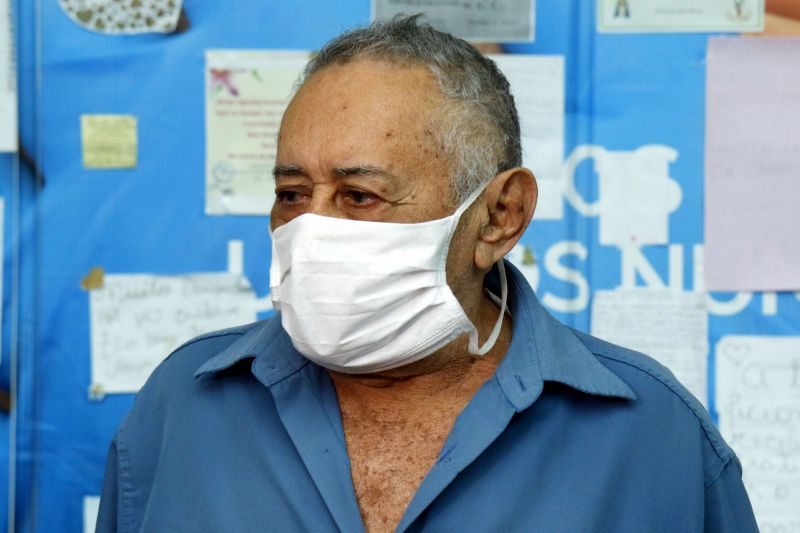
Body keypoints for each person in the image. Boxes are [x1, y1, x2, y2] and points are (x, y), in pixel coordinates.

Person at [96, 15, 758, 533]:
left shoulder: (650, 435)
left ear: (500, 215)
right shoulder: (183, 407)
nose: (311, 228)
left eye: (360, 196)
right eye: (293, 193)